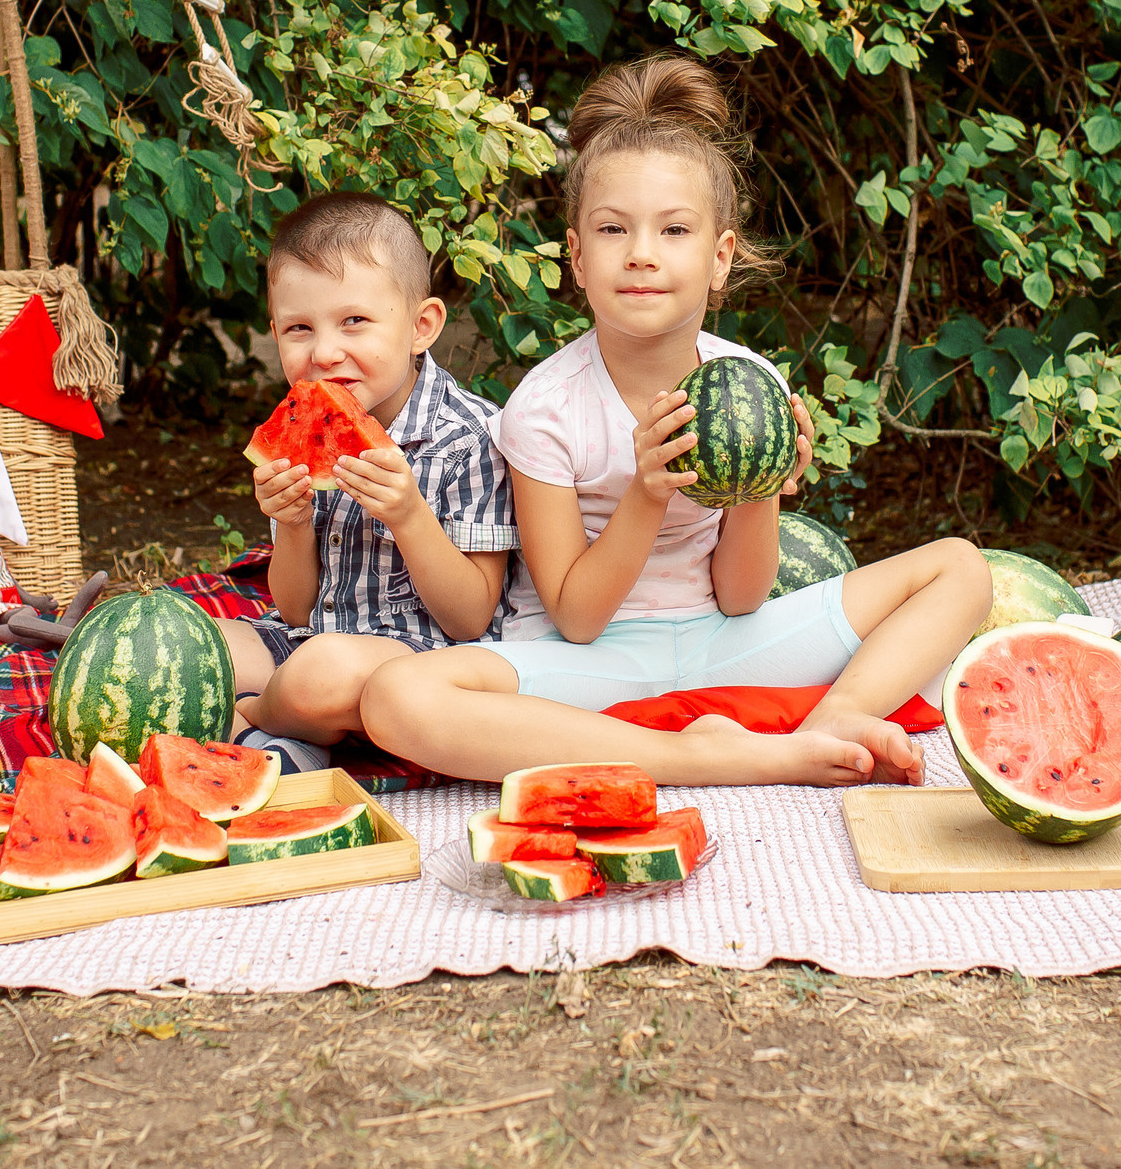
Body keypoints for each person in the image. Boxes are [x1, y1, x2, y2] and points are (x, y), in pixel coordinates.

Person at [359, 56, 989, 786]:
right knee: (399, 695)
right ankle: (695, 755)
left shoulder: (752, 383)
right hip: (592, 663)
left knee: (961, 567)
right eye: (613, 229)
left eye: (675, 231)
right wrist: (646, 492)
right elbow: (575, 616)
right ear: (578, 258)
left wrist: (762, 488)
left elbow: (743, 596)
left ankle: (832, 723)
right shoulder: (545, 405)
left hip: (724, 638)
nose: (643, 255)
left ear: (720, 257)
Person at [224, 193, 518, 773]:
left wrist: (410, 516)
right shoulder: (307, 424)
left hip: (421, 668)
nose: (325, 352)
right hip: (316, 642)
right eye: (299, 329)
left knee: (322, 672)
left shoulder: (471, 438)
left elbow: (472, 617)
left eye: (353, 321)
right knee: (196, 648)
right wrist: (292, 525)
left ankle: (256, 724)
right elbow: (295, 608)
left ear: (421, 326)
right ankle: (290, 740)